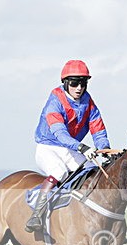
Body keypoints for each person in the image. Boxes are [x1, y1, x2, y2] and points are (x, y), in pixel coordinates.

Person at [26, 59, 119, 233]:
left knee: (94, 172)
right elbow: (60, 134)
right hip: (48, 147)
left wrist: (104, 148)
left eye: (83, 83)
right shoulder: (54, 102)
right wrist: (82, 147)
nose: (79, 88)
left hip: (71, 148)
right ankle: (36, 214)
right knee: (59, 172)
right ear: (66, 83)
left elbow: (97, 127)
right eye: (75, 83)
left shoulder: (87, 101)